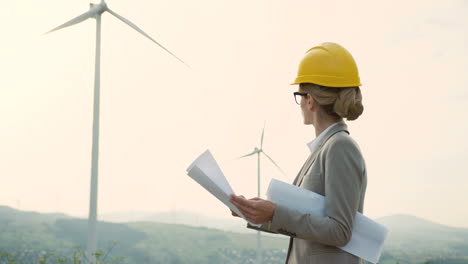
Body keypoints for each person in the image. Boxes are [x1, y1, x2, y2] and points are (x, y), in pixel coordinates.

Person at [230, 42, 367, 264]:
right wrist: (254, 213)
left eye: (299, 96)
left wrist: (274, 213)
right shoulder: (325, 148)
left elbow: (340, 231)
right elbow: (307, 223)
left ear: (309, 100)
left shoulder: (340, 147)